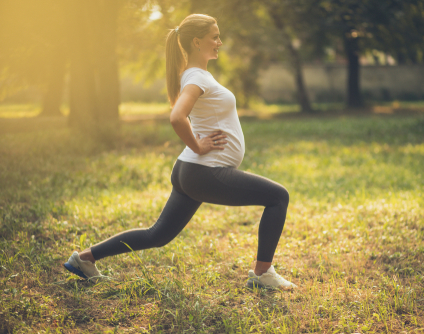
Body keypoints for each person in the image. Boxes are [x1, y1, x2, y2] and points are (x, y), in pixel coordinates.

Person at [63, 13, 296, 289]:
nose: (220, 42)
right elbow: (177, 117)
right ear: (197, 42)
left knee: (157, 235)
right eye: (214, 37)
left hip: (190, 170)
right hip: (203, 171)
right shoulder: (197, 77)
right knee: (278, 197)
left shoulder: (195, 75)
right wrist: (197, 145)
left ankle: (84, 258)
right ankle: (262, 274)